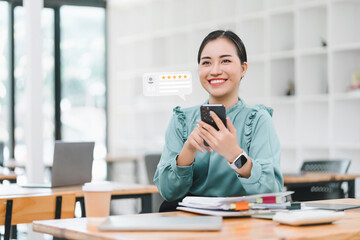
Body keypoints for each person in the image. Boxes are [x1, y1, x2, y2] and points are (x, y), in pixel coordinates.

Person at [154, 30, 283, 212]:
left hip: (241, 223)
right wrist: (188, 150)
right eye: (206, 62)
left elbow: (271, 193)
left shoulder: (258, 120)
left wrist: (235, 155)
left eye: (226, 61)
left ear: (243, 69)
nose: (215, 71)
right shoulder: (181, 120)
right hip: (188, 223)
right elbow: (168, 192)